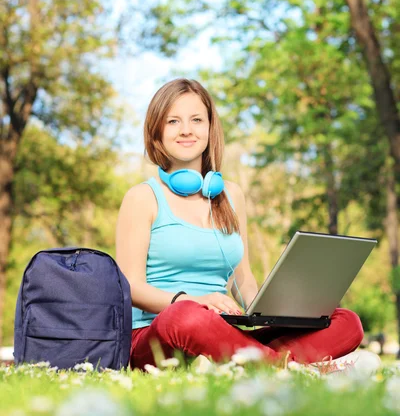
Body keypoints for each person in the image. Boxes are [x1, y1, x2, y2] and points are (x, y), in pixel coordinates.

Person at [116, 78, 368, 372]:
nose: (186, 129)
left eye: (196, 119)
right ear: (157, 131)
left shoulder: (230, 195)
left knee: (346, 321)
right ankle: (288, 366)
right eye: (173, 121)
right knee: (186, 316)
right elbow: (130, 286)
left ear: (210, 128)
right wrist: (195, 300)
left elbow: (242, 277)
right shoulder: (142, 197)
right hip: (160, 334)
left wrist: (270, 311)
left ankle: (254, 362)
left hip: (222, 331)